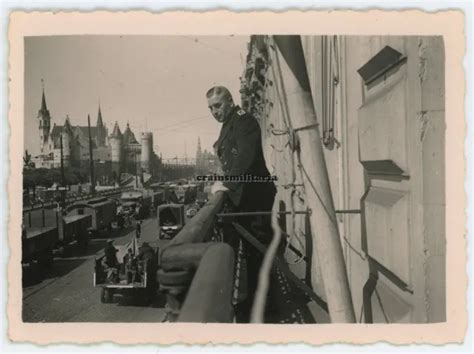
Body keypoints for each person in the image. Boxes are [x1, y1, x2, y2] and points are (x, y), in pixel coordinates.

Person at [206, 86, 277, 322]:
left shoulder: (244, 121)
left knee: (258, 252)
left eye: (217, 105)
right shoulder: (228, 126)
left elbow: (244, 158)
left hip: (255, 197)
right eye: (210, 108)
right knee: (246, 251)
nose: (214, 112)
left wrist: (226, 184)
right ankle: (254, 302)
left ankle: (265, 309)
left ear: (230, 101)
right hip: (244, 199)